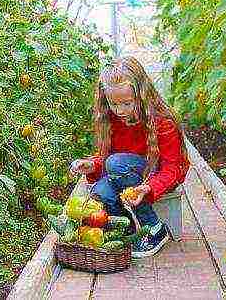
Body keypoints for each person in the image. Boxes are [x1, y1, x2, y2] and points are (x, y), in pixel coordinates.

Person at [69, 56, 190, 258]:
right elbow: (108, 158)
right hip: (128, 172)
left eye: (127, 103)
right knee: (101, 190)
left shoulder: (163, 122)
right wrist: (92, 165)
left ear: (141, 95)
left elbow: (173, 169)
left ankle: (153, 227)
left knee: (116, 163)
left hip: (159, 177)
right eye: (114, 104)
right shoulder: (113, 119)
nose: (120, 110)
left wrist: (149, 187)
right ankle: (128, 230)